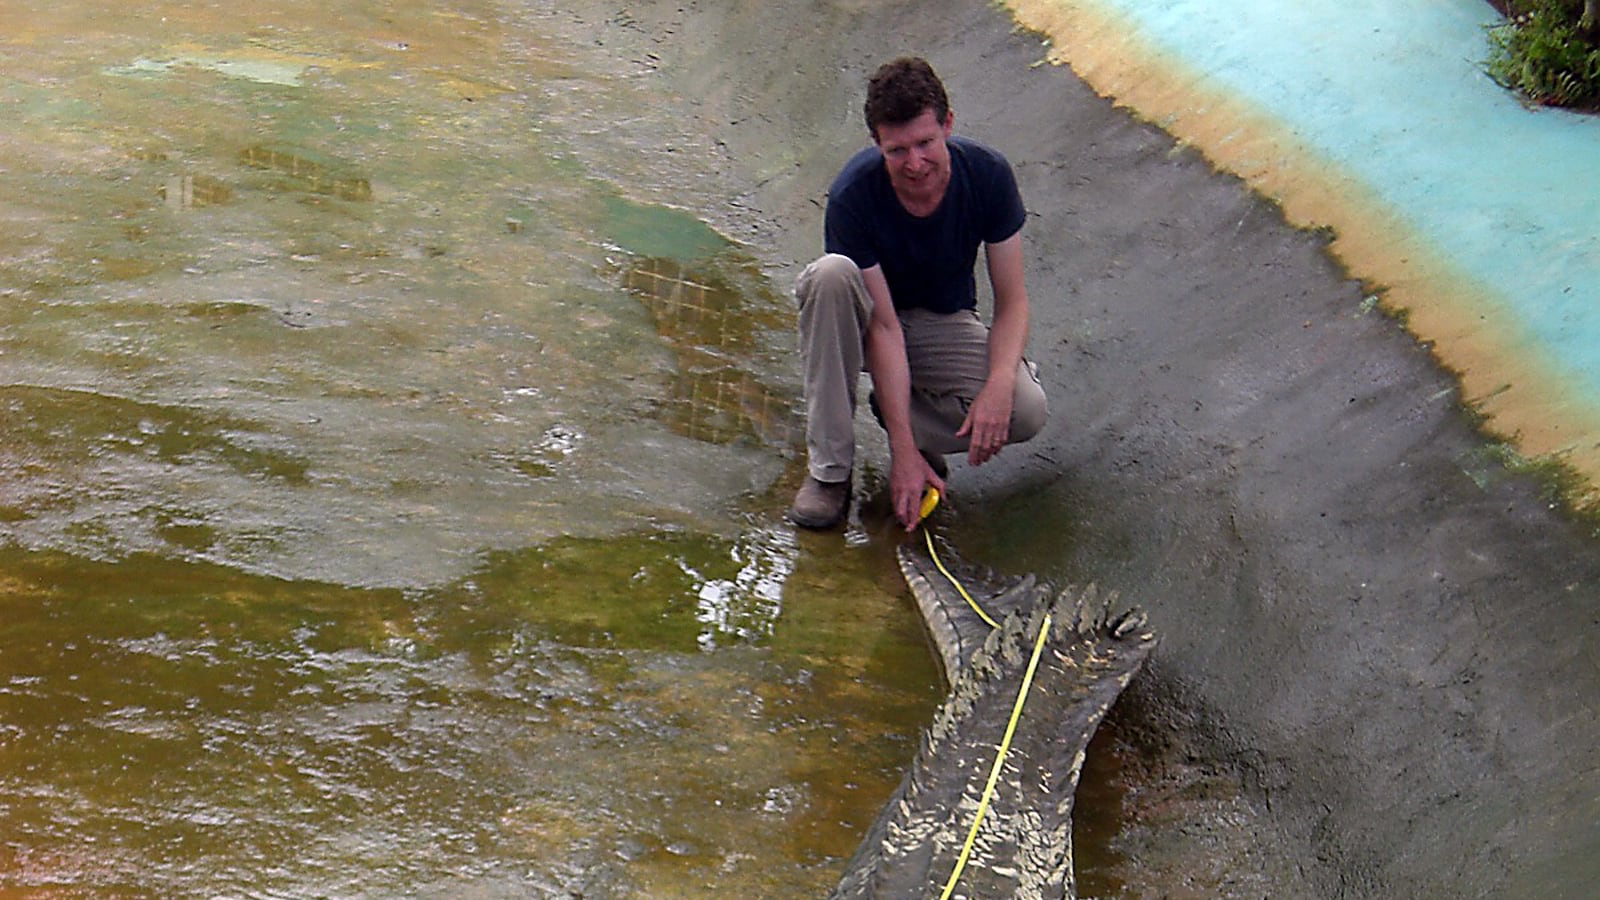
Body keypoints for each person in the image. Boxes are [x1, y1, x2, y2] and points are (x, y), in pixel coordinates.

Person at [788, 56, 1047, 531]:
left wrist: (997, 382)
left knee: (1025, 410)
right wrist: (902, 457)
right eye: (897, 150)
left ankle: (897, 416)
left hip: (937, 321)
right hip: (863, 321)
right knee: (829, 275)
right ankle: (830, 472)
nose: (914, 163)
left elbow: (1013, 303)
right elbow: (884, 327)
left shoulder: (988, 176)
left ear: (947, 125)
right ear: (877, 144)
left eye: (925, 143)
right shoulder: (853, 195)